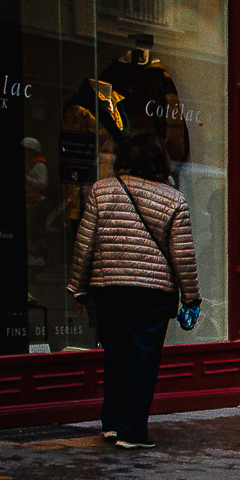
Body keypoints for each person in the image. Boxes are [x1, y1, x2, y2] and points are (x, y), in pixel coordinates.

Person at [67, 129, 199, 449]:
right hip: (153, 292)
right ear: (160, 161)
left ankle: (111, 423)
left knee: (115, 354)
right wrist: (191, 297)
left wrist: (77, 287)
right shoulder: (173, 199)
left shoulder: (101, 191)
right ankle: (132, 431)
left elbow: (85, 244)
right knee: (142, 360)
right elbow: (183, 255)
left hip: (108, 288)